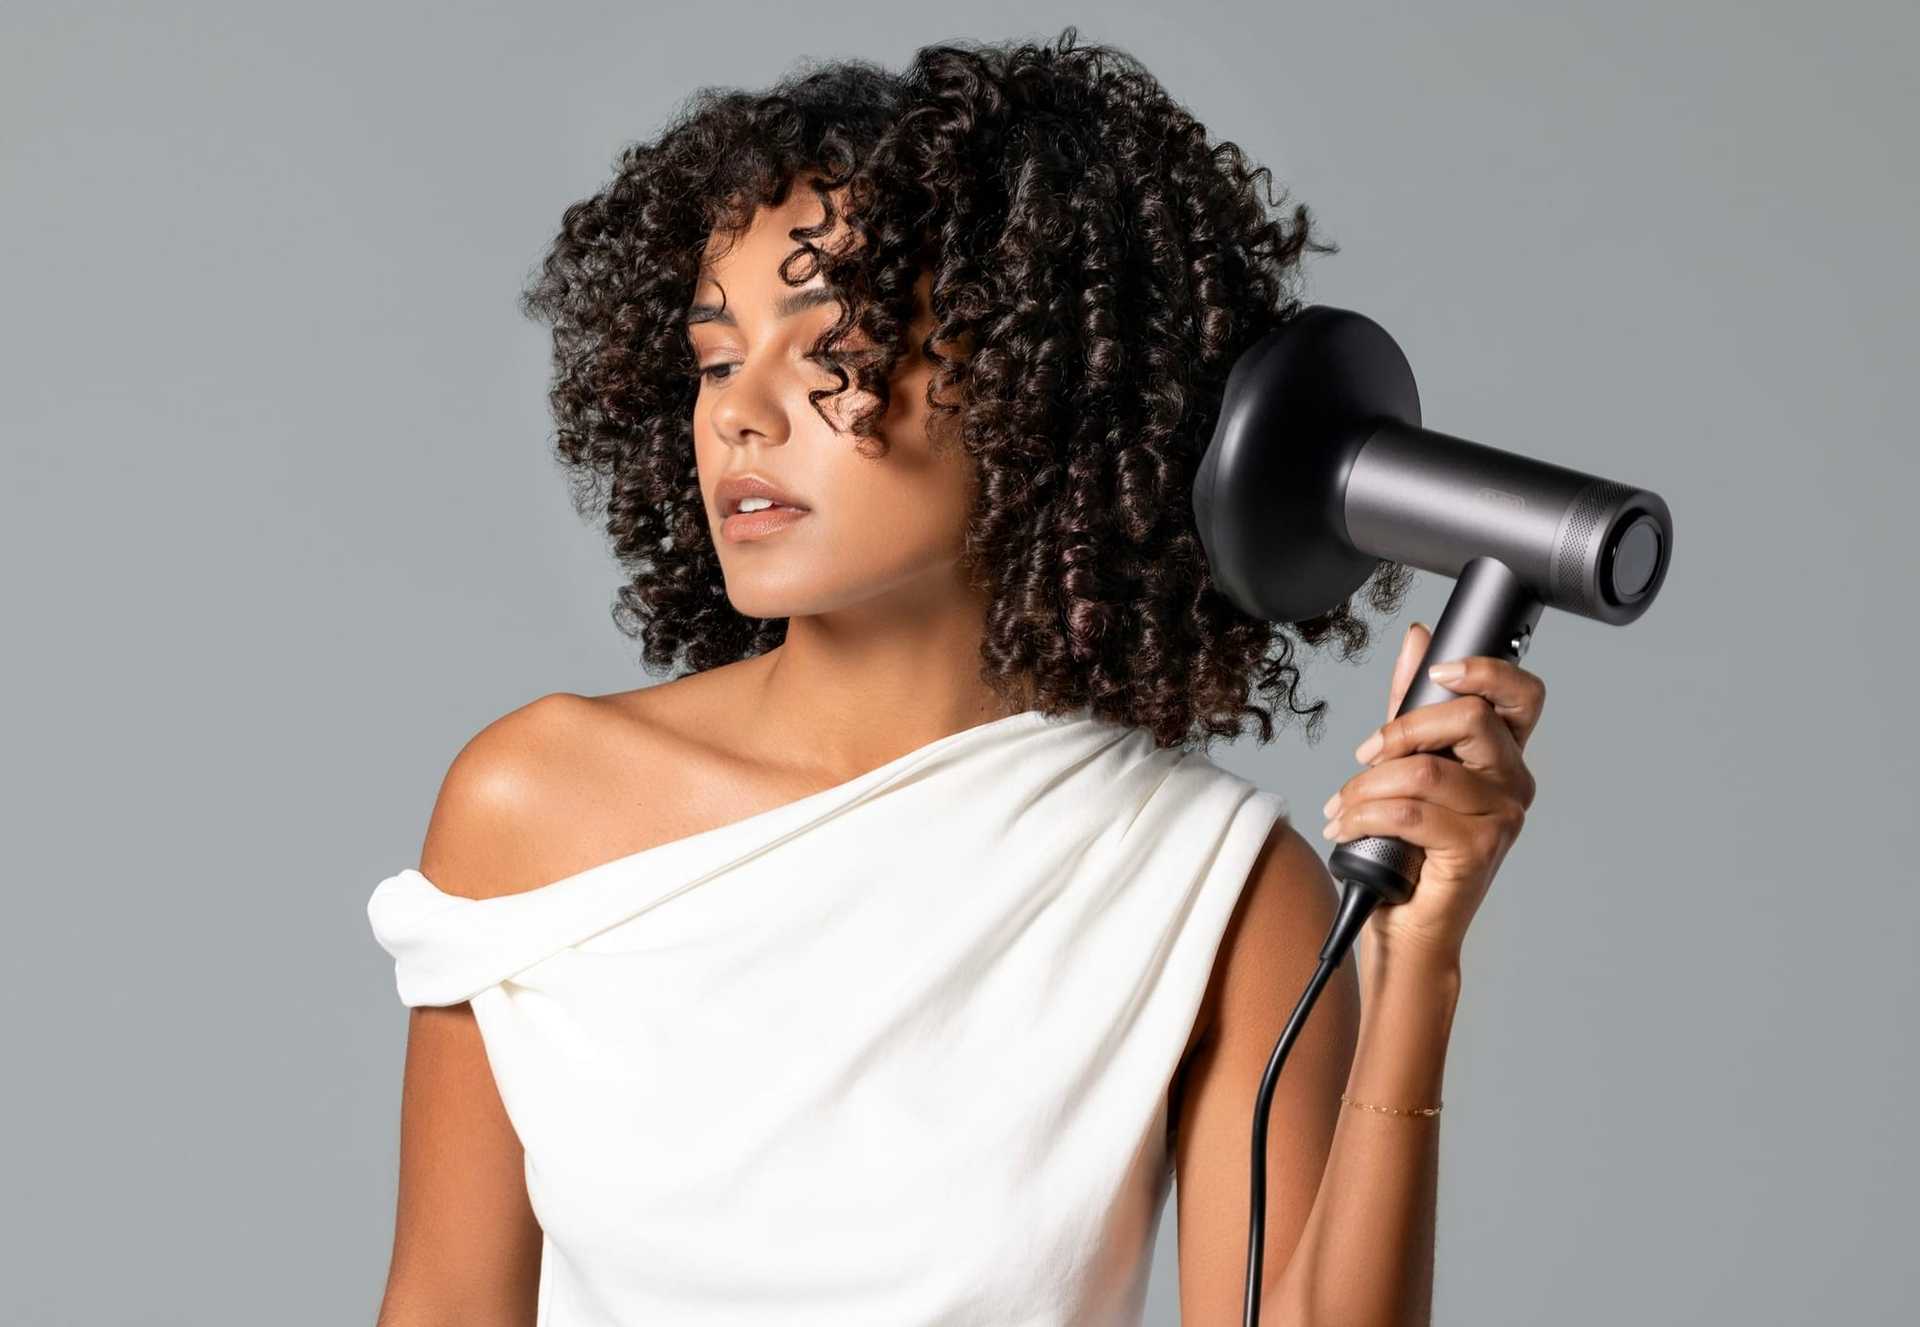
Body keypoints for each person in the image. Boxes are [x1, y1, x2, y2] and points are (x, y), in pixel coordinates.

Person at [367, 28, 1545, 1327]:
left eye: (832, 351)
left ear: (1039, 385)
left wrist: (1413, 970)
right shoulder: (532, 806)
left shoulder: (1209, 890)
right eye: (714, 357)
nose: (737, 412)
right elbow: (441, 1303)